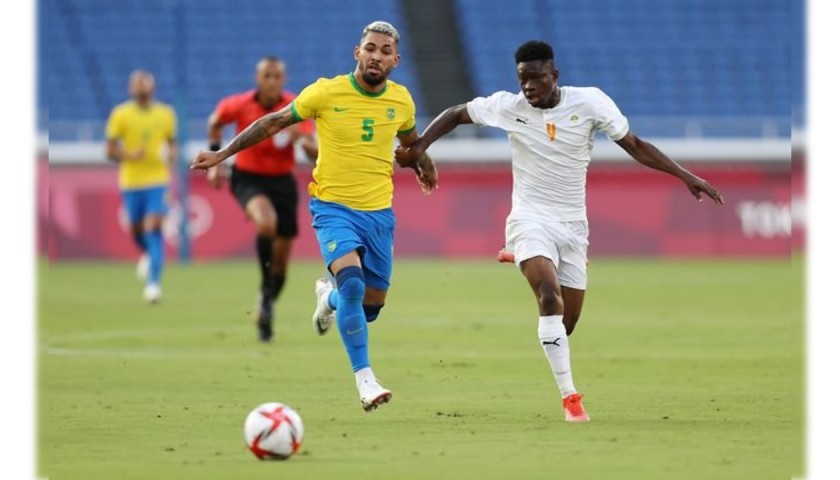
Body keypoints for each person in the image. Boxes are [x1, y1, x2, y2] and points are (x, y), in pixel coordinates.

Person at [395, 40, 725, 422]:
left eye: (536, 78)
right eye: (523, 80)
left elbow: (634, 145)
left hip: (572, 228)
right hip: (529, 219)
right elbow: (456, 113)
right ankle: (571, 400)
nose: (528, 87)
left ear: (554, 75)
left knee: (564, 324)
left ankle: (521, 255)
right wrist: (419, 147)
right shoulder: (509, 107)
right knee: (548, 297)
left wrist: (684, 175)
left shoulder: (590, 103)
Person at [191, 21, 438, 411]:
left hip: (379, 214)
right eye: (370, 48)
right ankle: (365, 380)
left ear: (396, 60)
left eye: (385, 51)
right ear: (357, 53)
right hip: (332, 208)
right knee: (355, 285)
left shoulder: (402, 101)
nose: (376, 55)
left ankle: (329, 299)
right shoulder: (325, 91)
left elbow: (409, 140)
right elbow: (272, 121)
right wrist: (222, 155)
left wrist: (423, 162)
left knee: (370, 307)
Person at [206, 56, 318, 343]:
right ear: (258, 79)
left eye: (276, 76)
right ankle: (266, 297)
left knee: (281, 265)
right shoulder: (240, 104)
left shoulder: (296, 105)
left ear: (283, 80)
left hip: (283, 182)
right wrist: (217, 160)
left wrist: (302, 140)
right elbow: (215, 122)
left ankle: (265, 302)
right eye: (266, 76)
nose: (271, 81)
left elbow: (313, 152)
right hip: (247, 178)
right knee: (266, 223)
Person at [106, 70, 178, 304]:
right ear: (130, 88)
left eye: (143, 82)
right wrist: (129, 154)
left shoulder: (166, 114)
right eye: (135, 83)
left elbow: (172, 145)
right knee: (137, 231)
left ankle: (153, 286)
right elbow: (109, 150)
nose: (139, 86)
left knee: (153, 226)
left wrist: (171, 161)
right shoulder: (121, 114)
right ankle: (148, 254)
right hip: (131, 181)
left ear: (152, 87)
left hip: (157, 180)